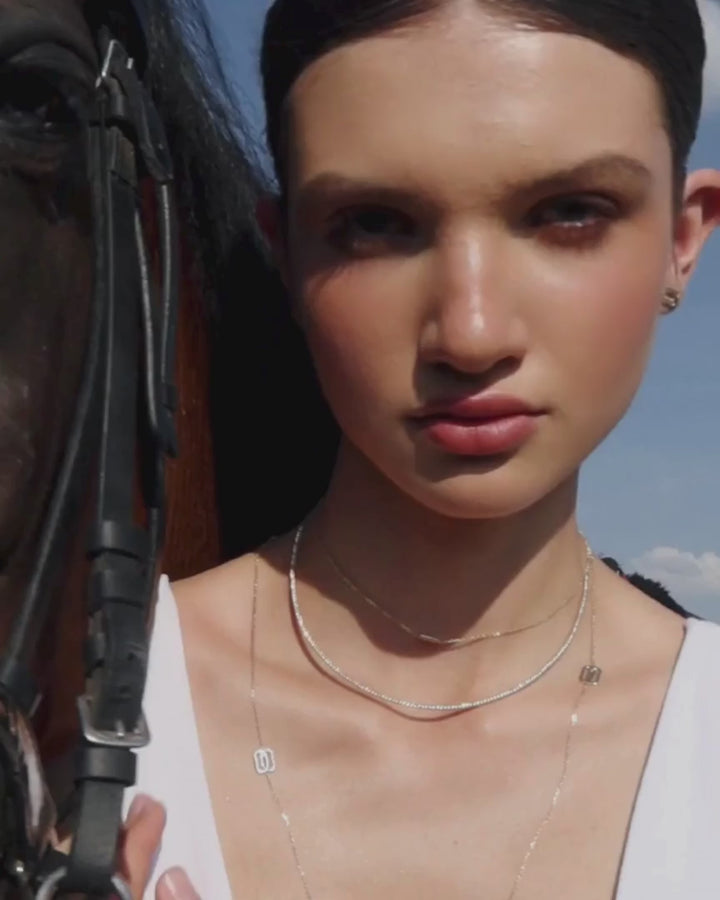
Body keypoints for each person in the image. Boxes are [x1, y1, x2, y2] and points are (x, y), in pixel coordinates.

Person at [128, 0, 720, 896]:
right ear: (283, 253)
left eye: (567, 212)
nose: (471, 334)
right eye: (376, 224)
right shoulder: (68, 730)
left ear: (683, 239)